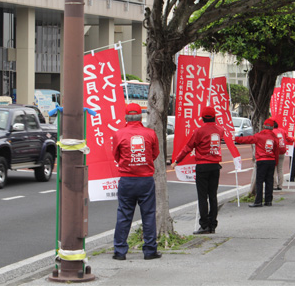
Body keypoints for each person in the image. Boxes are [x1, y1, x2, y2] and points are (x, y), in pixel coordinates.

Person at [112, 103, 161, 261]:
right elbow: (155, 154)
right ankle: (149, 250)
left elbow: (116, 155)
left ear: (126, 116)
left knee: (124, 215)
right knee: (148, 215)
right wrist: (142, 164)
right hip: (145, 179)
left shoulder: (119, 134)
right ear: (141, 116)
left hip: (126, 179)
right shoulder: (150, 133)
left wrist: (128, 164)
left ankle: (120, 251)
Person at [171, 106, 226, 234]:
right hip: (215, 166)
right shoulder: (220, 130)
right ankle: (213, 225)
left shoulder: (199, 131)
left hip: (202, 166)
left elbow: (188, 147)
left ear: (202, 118)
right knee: (213, 196)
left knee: (202, 197)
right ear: (214, 117)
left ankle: (204, 225)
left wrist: (177, 161)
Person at [236, 118, 279, 207]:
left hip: (261, 160)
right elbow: (277, 151)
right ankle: (268, 201)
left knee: (259, 181)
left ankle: (258, 201)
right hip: (271, 160)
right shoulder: (275, 137)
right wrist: (276, 162)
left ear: (264, 126)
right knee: (269, 181)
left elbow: (247, 139)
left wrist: (236, 139)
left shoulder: (259, 136)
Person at [272, 120, 294, 190]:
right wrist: (294, 139)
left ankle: (274, 185)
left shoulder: (271, 132)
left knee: (274, 169)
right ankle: (280, 185)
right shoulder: (282, 131)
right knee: (280, 169)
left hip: (274, 152)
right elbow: (288, 138)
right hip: (282, 150)